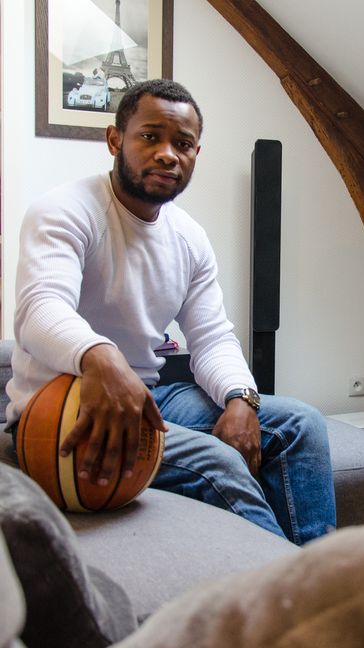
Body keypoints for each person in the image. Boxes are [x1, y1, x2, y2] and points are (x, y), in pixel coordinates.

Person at [6, 79, 336, 545]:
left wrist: (242, 398)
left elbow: (213, 337)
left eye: (182, 144)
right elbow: (40, 309)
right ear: (115, 139)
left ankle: (320, 571)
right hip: (57, 406)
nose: (167, 154)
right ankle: (295, 599)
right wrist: (102, 357)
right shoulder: (64, 210)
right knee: (217, 461)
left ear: (196, 152)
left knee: (299, 423)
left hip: (149, 399)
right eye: (150, 136)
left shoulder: (189, 238)